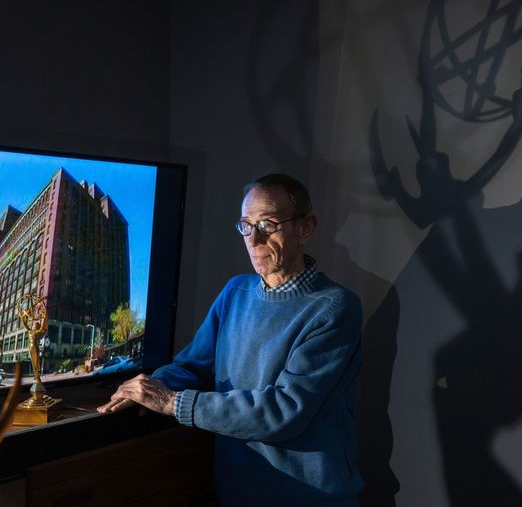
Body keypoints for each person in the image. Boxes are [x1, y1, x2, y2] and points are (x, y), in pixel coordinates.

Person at [98, 173, 364, 506]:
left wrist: (171, 402)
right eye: (246, 226)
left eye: (267, 224)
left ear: (305, 228)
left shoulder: (335, 308)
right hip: (237, 492)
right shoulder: (235, 292)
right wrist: (148, 387)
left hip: (307, 498)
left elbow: (284, 411)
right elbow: (192, 366)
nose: (254, 239)